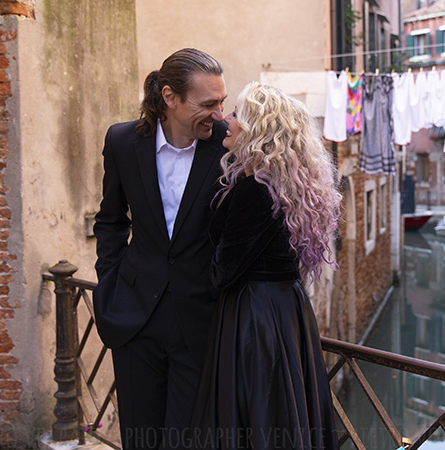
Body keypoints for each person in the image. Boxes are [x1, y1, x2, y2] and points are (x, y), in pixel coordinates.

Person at [190, 82, 341, 450]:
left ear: (258, 129)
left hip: (255, 318)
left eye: (237, 114)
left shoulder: (255, 189)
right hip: (286, 310)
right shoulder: (283, 182)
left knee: (258, 416)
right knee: (283, 414)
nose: (226, 120)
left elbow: (224, 271)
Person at [92, 48, 228, 449]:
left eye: (222, 101)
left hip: (201, 320)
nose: (219, 114)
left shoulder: (228, 144)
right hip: (135, 316)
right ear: (170, 97)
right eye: (208, 104)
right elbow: (110, 220)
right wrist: (109, 285)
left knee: (189, 441)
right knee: (140, 438)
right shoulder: (121, 141)